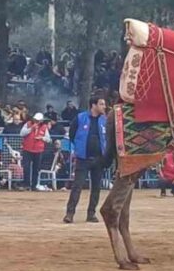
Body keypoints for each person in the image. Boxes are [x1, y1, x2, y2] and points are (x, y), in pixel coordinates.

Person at [63, 96, 108, 224]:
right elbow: (72, 135)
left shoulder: (104, 120)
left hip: (99, 159)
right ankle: (70, 214)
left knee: (96, 187)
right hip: (83, 158)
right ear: (93, 105)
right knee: (77, 186)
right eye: (102, 104)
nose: (104, 106)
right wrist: (79, 147)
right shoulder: (80, 118)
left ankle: (91, 213)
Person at [20, 112, 52, 190]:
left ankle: (34, 185)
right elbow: (22, 134)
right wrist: (31, 129)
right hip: (27, 149)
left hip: (38, 150)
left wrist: (42, 138)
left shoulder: (44, 127)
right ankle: (26, 184)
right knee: (26, 167)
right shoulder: (28, 124)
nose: (37, 122)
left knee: (36, 168)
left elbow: (49, 139)